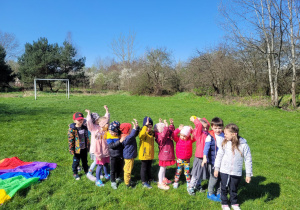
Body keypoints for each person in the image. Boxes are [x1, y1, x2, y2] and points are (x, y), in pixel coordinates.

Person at [214, 123, 253, 210]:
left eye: (226, 134)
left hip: (236, 171)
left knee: (234, 188)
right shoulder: (225, 143)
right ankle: (224, 203)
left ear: (233, 134)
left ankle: (234, 203)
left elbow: (248, 159)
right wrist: (216, 168)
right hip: (224, 170)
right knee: (223, 187)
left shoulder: (244, 145)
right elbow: (219, 156)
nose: (224, 135)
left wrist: (248, 174)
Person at [85, 106, 110, 187]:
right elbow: (89, 122)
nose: (98, 121)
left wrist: (107, 111)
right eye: (96, 120)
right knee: (98, 163)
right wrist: (88, 114)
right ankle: (94, 177)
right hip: (96, 151)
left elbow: (106, 120)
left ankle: (106, 174)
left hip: (104, 151)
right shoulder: (93, 128)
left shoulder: (102, 128)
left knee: (105, 163)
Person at [201, 117, 224, 201]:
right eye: (215, 128)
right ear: (212, 127)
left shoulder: (224, 135)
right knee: (214, 177)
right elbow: (206, 149)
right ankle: (210, 193)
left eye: (219, 128)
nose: (218, 130)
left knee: (221, 177)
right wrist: (204, 158)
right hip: (213, 161)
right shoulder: (210, 136)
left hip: (223, 161)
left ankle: (219, 192)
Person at [188, 116, 210, 195]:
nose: (205, 129)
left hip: (205, 157)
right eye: (203, 128)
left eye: (206, 128)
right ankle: (191, 187)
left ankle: (198, 185)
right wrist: (195, 120)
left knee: (201, 173)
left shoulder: (207, 134)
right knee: (196, 173)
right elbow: (199, 125)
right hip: (199, 157)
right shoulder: (199, 134)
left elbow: (207, 124)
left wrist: (201, 119)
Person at [68, 112, 90, 180]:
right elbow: (70, 140)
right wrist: (71, 149)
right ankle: (75, 173)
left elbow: (87, 137)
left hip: (84, 148)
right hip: (77, 149)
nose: (80, 121)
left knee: (85, 161)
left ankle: (86, 171)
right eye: (78, 120)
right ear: (74, 120)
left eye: (81, 120)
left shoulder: (84, 128)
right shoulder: (72, 129)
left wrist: (88, 146)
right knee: (76, 162)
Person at [154, 118, 176, 190]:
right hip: (164, 155)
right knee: (162, 169)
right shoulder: (159, 137)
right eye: (164, 129)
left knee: (164, 167)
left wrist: (171, 125)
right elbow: (163, 135)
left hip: (166, 154)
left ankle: (163, 179)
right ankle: (160, 183)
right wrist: (166, 127)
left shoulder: (164, 134)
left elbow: (170, 131)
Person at [172, 124, 195, 189]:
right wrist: (178, 129)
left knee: (187, 172)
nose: (182, 137)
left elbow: (195, 136)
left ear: (188, 136)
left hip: (187, 159)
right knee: (178, 171)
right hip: (179, 159)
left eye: (184, 136)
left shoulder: (190, 140)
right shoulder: (178, 139)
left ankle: (188, 182)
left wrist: (192, 131)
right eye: (181, 135)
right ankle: (176, 182)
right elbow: (173, 135)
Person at [121, 119, 140, 188]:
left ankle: (129, 180)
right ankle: (127, 183)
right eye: (131, 128)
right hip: (128, 156)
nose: (132, 130)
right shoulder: (125, 137)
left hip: (131, 155)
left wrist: (137, 127)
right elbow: (132, 135)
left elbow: (134, 134)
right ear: (127, 130)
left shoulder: (129, 135)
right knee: (127, 170)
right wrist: (134, 129)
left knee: (129, 168)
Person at [138, 116, 155, 189]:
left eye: (151, 127)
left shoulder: (151, 132)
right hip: (144, 154)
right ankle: (144, 181)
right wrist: (145, 126)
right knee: (144, 168)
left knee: (149, 167)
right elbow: (141, 135)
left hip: (150, 154)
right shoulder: (143, 133)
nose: (149, 129)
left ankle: (150, 179)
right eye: (148, 127)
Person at [107, 121, 123, 189]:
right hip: (113, 156)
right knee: (113, 169)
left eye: (112, 132)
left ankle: (117, 177)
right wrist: (120, 141)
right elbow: (111, 146)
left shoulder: (119, 134)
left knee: (119, 168)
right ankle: (113, 181)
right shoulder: (109, 137)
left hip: (119, 155)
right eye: (110, 131)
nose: (111, 133)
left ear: (116, 131)